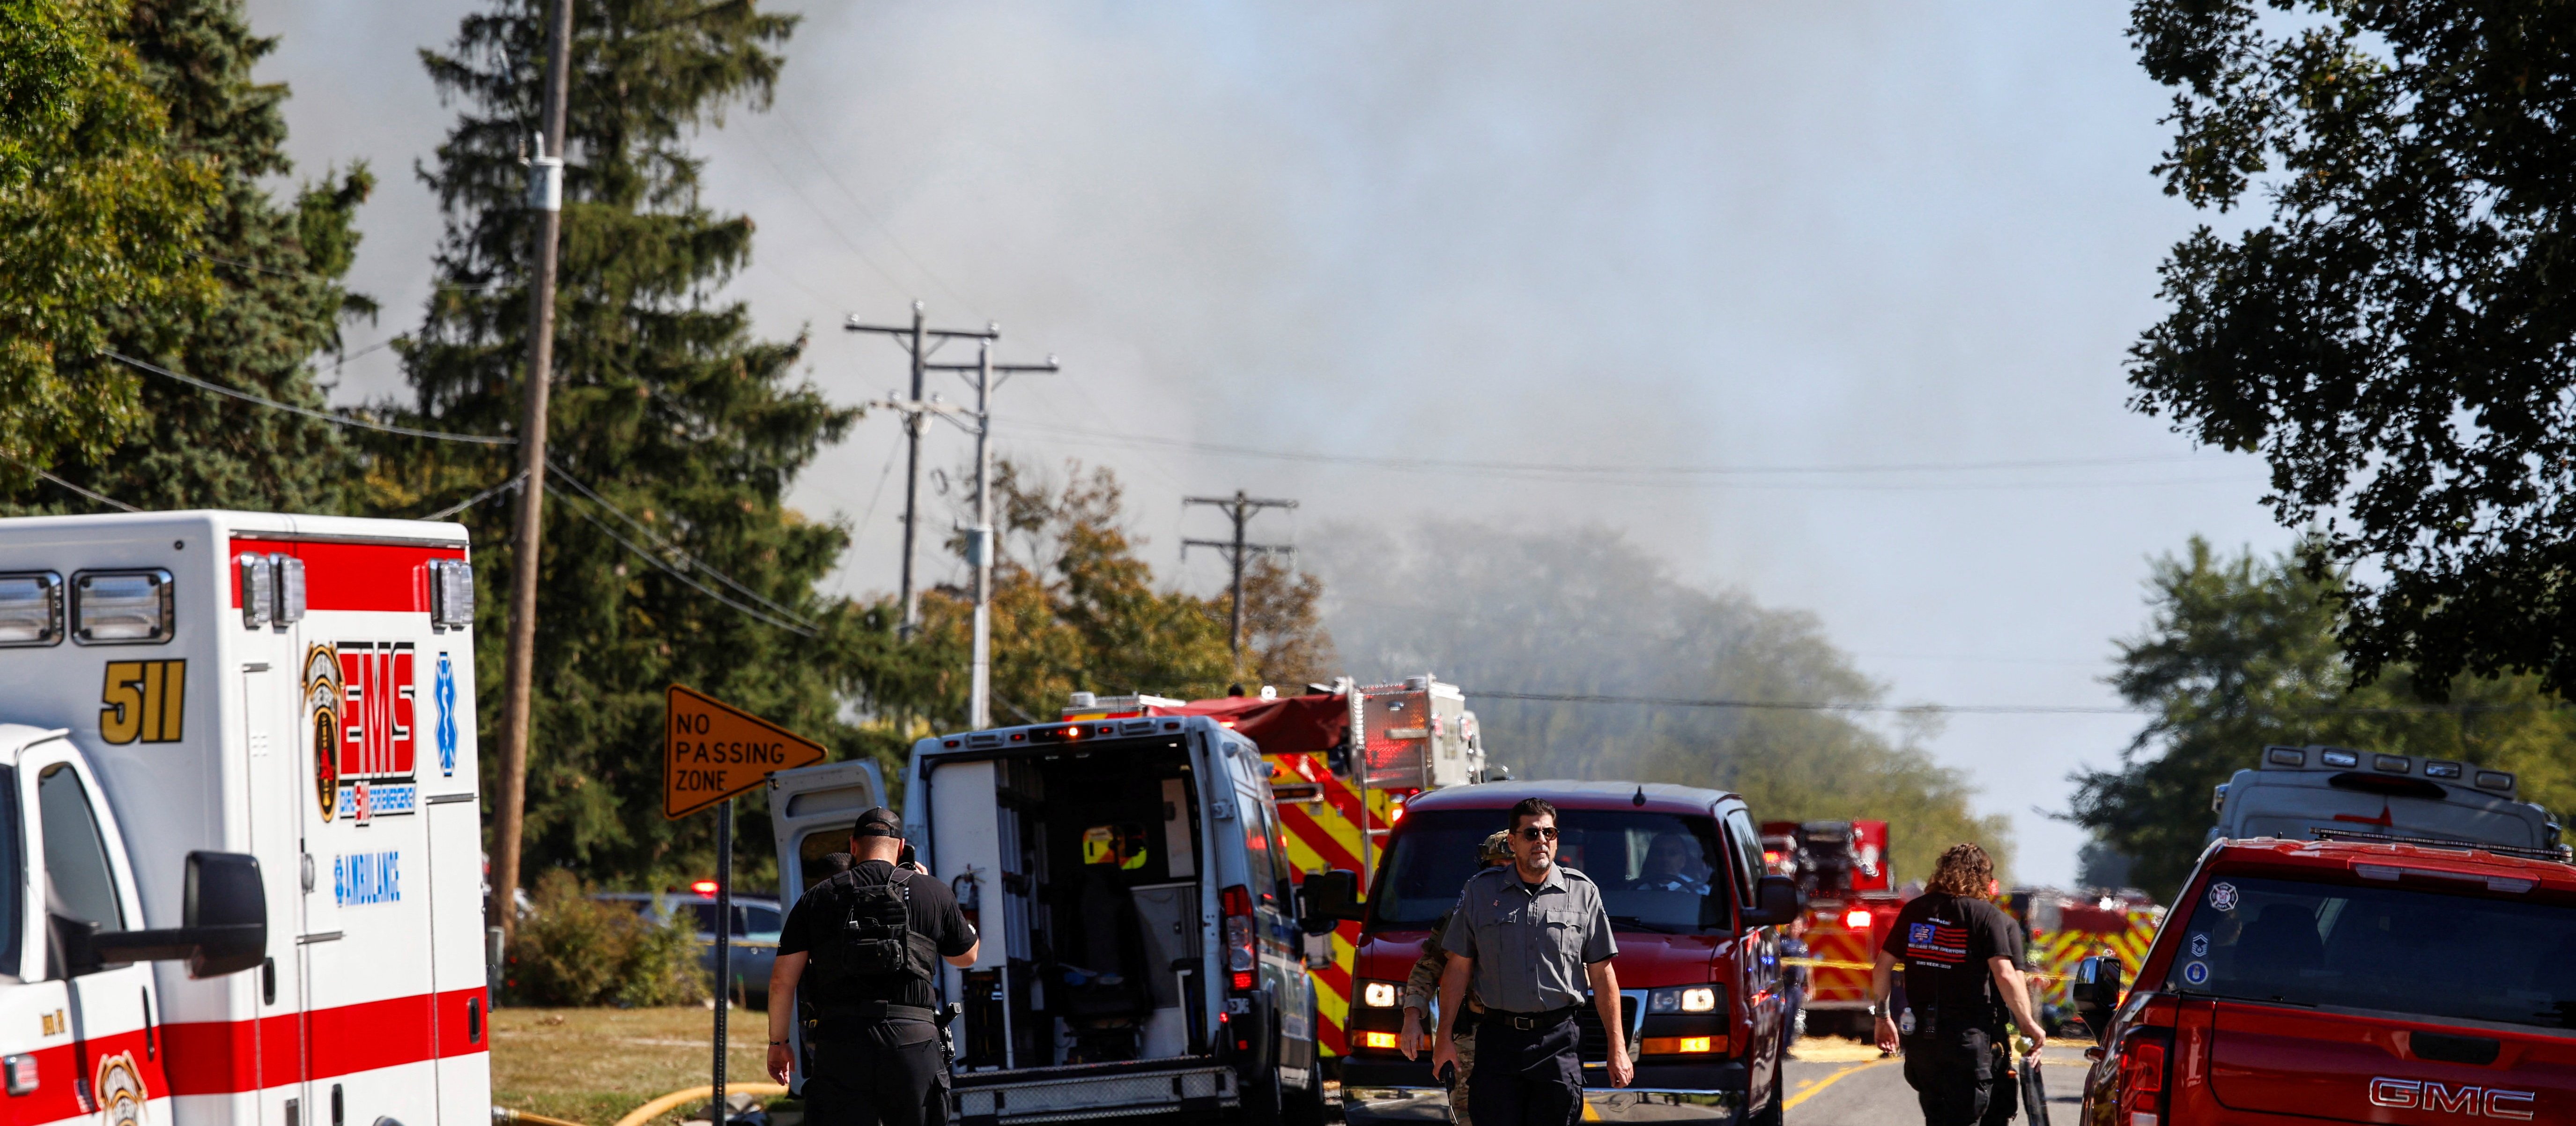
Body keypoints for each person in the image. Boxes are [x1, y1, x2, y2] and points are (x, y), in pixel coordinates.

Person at [768, 808, 981, 1126]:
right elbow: (966, 957)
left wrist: (779, 1044)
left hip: (841, 1042)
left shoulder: (817, 898)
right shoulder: (933, 892)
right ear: (901, 847)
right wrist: (930, 892)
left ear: (853, 845)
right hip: (914, 1043)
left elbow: (782, 982)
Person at [1433, 798, 1630, 1126]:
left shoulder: (1583, 892)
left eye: (1549, 833)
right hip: (1498, 1040)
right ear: (1512, 842)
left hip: (1558, 1041)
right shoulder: (1480, 892)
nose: (1541, 840)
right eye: (1531, 833)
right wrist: (1444, 1039)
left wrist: (1617, 1047)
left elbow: (1602, 974)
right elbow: (1458, 968)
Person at [1870, 843, 2045, 1126]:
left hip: (1923, 1041)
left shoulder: (1915, 911)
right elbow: (2005, 974)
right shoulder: (1986, 916)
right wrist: (2027, 1024)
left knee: (1936, 1118)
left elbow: (1881, 968)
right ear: (1982, 877)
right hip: (1967, 1041)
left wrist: (1882, 1018)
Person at [1398, 830, 1516, 1126]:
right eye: (1496, 868)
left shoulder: (1546, 913)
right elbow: (1429, 967)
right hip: (1475, 1037)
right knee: (1469, 1116)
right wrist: (1412, 1017)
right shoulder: (1463, 916)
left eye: (1510, 867)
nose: (1503, 876)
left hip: (1529, 1039)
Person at [1637, 833, 1712, 894]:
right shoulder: (1636, 889)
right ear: (1651, 859)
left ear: (1683, 861)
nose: (1665, 859)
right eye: (1659, 853)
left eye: (1672, 854)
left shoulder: (1701, 891)